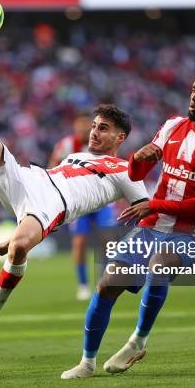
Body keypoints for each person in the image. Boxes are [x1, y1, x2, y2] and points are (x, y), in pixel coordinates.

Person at [0, 23, 149, 364]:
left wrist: (137, 258)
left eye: (104, 129)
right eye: (94, 126)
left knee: (19, 246)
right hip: (32, 178)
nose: (94, 133)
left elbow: (147, 210)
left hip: (51, 205)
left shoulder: (126, 172)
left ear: (120, 138)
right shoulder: (76, 152)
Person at [61, 64, 195, 379]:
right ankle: (87, 363)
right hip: (151, 226)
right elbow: (135, 174)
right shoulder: (173, 126)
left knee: (159, 265)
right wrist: (138, 159)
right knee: (107, 285)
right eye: (194, 89)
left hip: (191, 232)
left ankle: (137, 341)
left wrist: (153, 204)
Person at [48, 115, 117, 301]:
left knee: (107, 240)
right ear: (75, 125)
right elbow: (52, 167)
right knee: (79, 243)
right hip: (79, 203)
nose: (85, 127)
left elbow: (115, 167)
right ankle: (83, 285)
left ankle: (105, 280)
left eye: (89, 124)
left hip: (102, 201)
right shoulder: (67, 145)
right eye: (81, 123)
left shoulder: (104, 144)